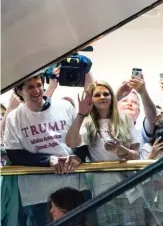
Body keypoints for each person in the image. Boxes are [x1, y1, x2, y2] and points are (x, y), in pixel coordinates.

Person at [3, 73, 87, 226]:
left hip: (72, 184)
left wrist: (78, 157)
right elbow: (14, 154)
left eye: (39, 85)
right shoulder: (14, 117)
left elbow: (82, 139)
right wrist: (48, 160)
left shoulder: (64, 107)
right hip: (37, 192)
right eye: (30, 87)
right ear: (19, 92)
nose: (36, 90)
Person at [65, 80, 147, 226]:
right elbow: (70, 142)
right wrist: (81, 113)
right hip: (104, 191)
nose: (102, 97)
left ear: (111, 96)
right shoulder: (87, 123)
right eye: (97, 95)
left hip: (130, 189)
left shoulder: (125, 119)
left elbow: (135, 156)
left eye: (106, 93)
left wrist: (120, 149)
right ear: (91, 99)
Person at [116, 75, 157, 149]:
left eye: (134, 102)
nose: (129, 104)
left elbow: (153, 118)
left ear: (138, 112)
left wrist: (143, 92)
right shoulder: (106, 126)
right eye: (124, 101)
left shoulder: (141, 133)